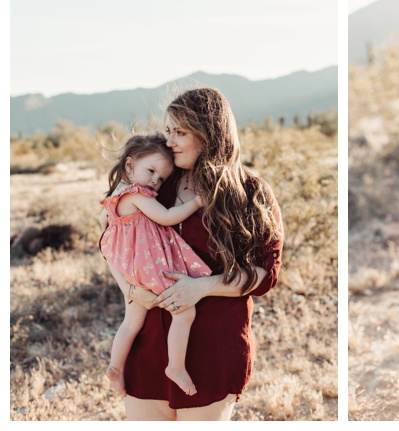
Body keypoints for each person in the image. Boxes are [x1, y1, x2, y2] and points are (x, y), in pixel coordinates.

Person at [100, 89, 283, 420]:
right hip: (148, 351)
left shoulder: (250, 193)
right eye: (168, 131)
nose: (170, 141)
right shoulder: (156, 185)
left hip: (212, 354)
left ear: (209, 132)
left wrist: (201, 286)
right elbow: (112, 245)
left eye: (180, 132)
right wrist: (130, 290)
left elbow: (264, 274)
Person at [100, 134, 211, 396]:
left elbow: (104, 230)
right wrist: (197, 201)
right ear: (129, 166)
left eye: (161, 178)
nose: (154, 181)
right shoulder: (136, 194)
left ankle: (115, 368)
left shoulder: (113, 199)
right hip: (149, 265)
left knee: (131, 322)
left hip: (130, 268)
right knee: (184, 312)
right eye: (150, 171)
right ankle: (175, 366)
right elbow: (167, 217)